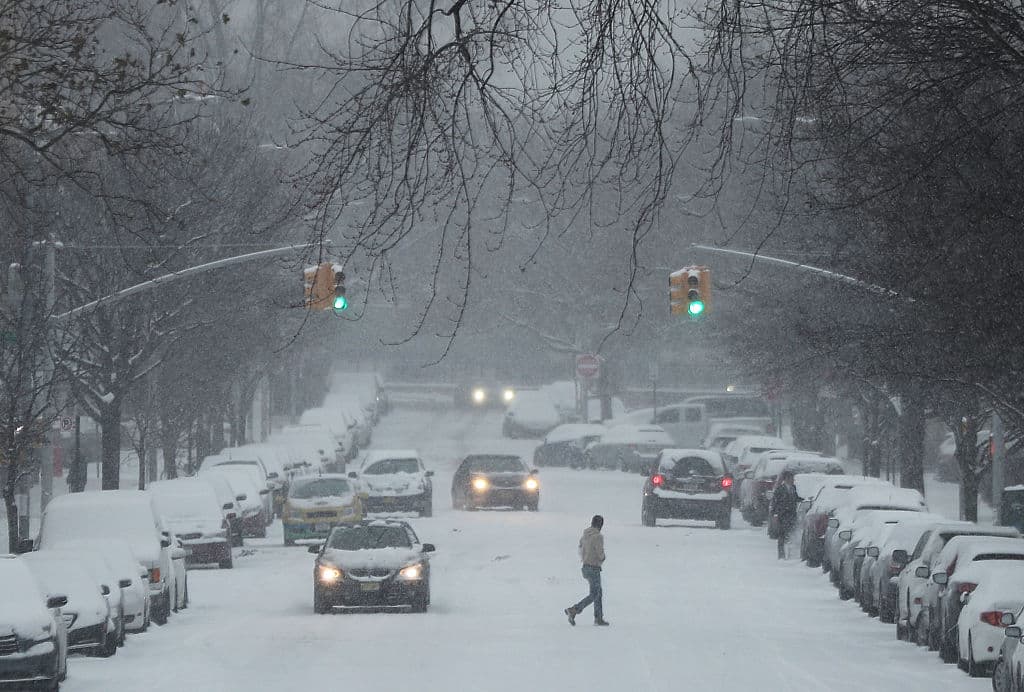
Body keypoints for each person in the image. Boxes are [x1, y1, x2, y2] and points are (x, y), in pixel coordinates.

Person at [565, 515, 609, 626]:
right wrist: (603, 557)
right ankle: (574, 610)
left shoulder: (585, 535)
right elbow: (600, 553)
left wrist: (585, 558)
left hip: (585, 567)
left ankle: (598, 618)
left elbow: (580, 549)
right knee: (594, 594)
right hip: (594, 568)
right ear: (600, 525)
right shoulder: (598, 537)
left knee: (598, 592)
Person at [771, 470, 799, 559]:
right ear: (786, 479)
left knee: (791, 535)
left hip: (792, 515)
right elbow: (774, 502)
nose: (793, 480)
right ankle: (781, 555)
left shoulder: (793, 488)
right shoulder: (779, 489)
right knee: (782, 535)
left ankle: (790, 554)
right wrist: (775, 514)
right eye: (791, 478)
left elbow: (796, 498)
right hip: (782, 515)